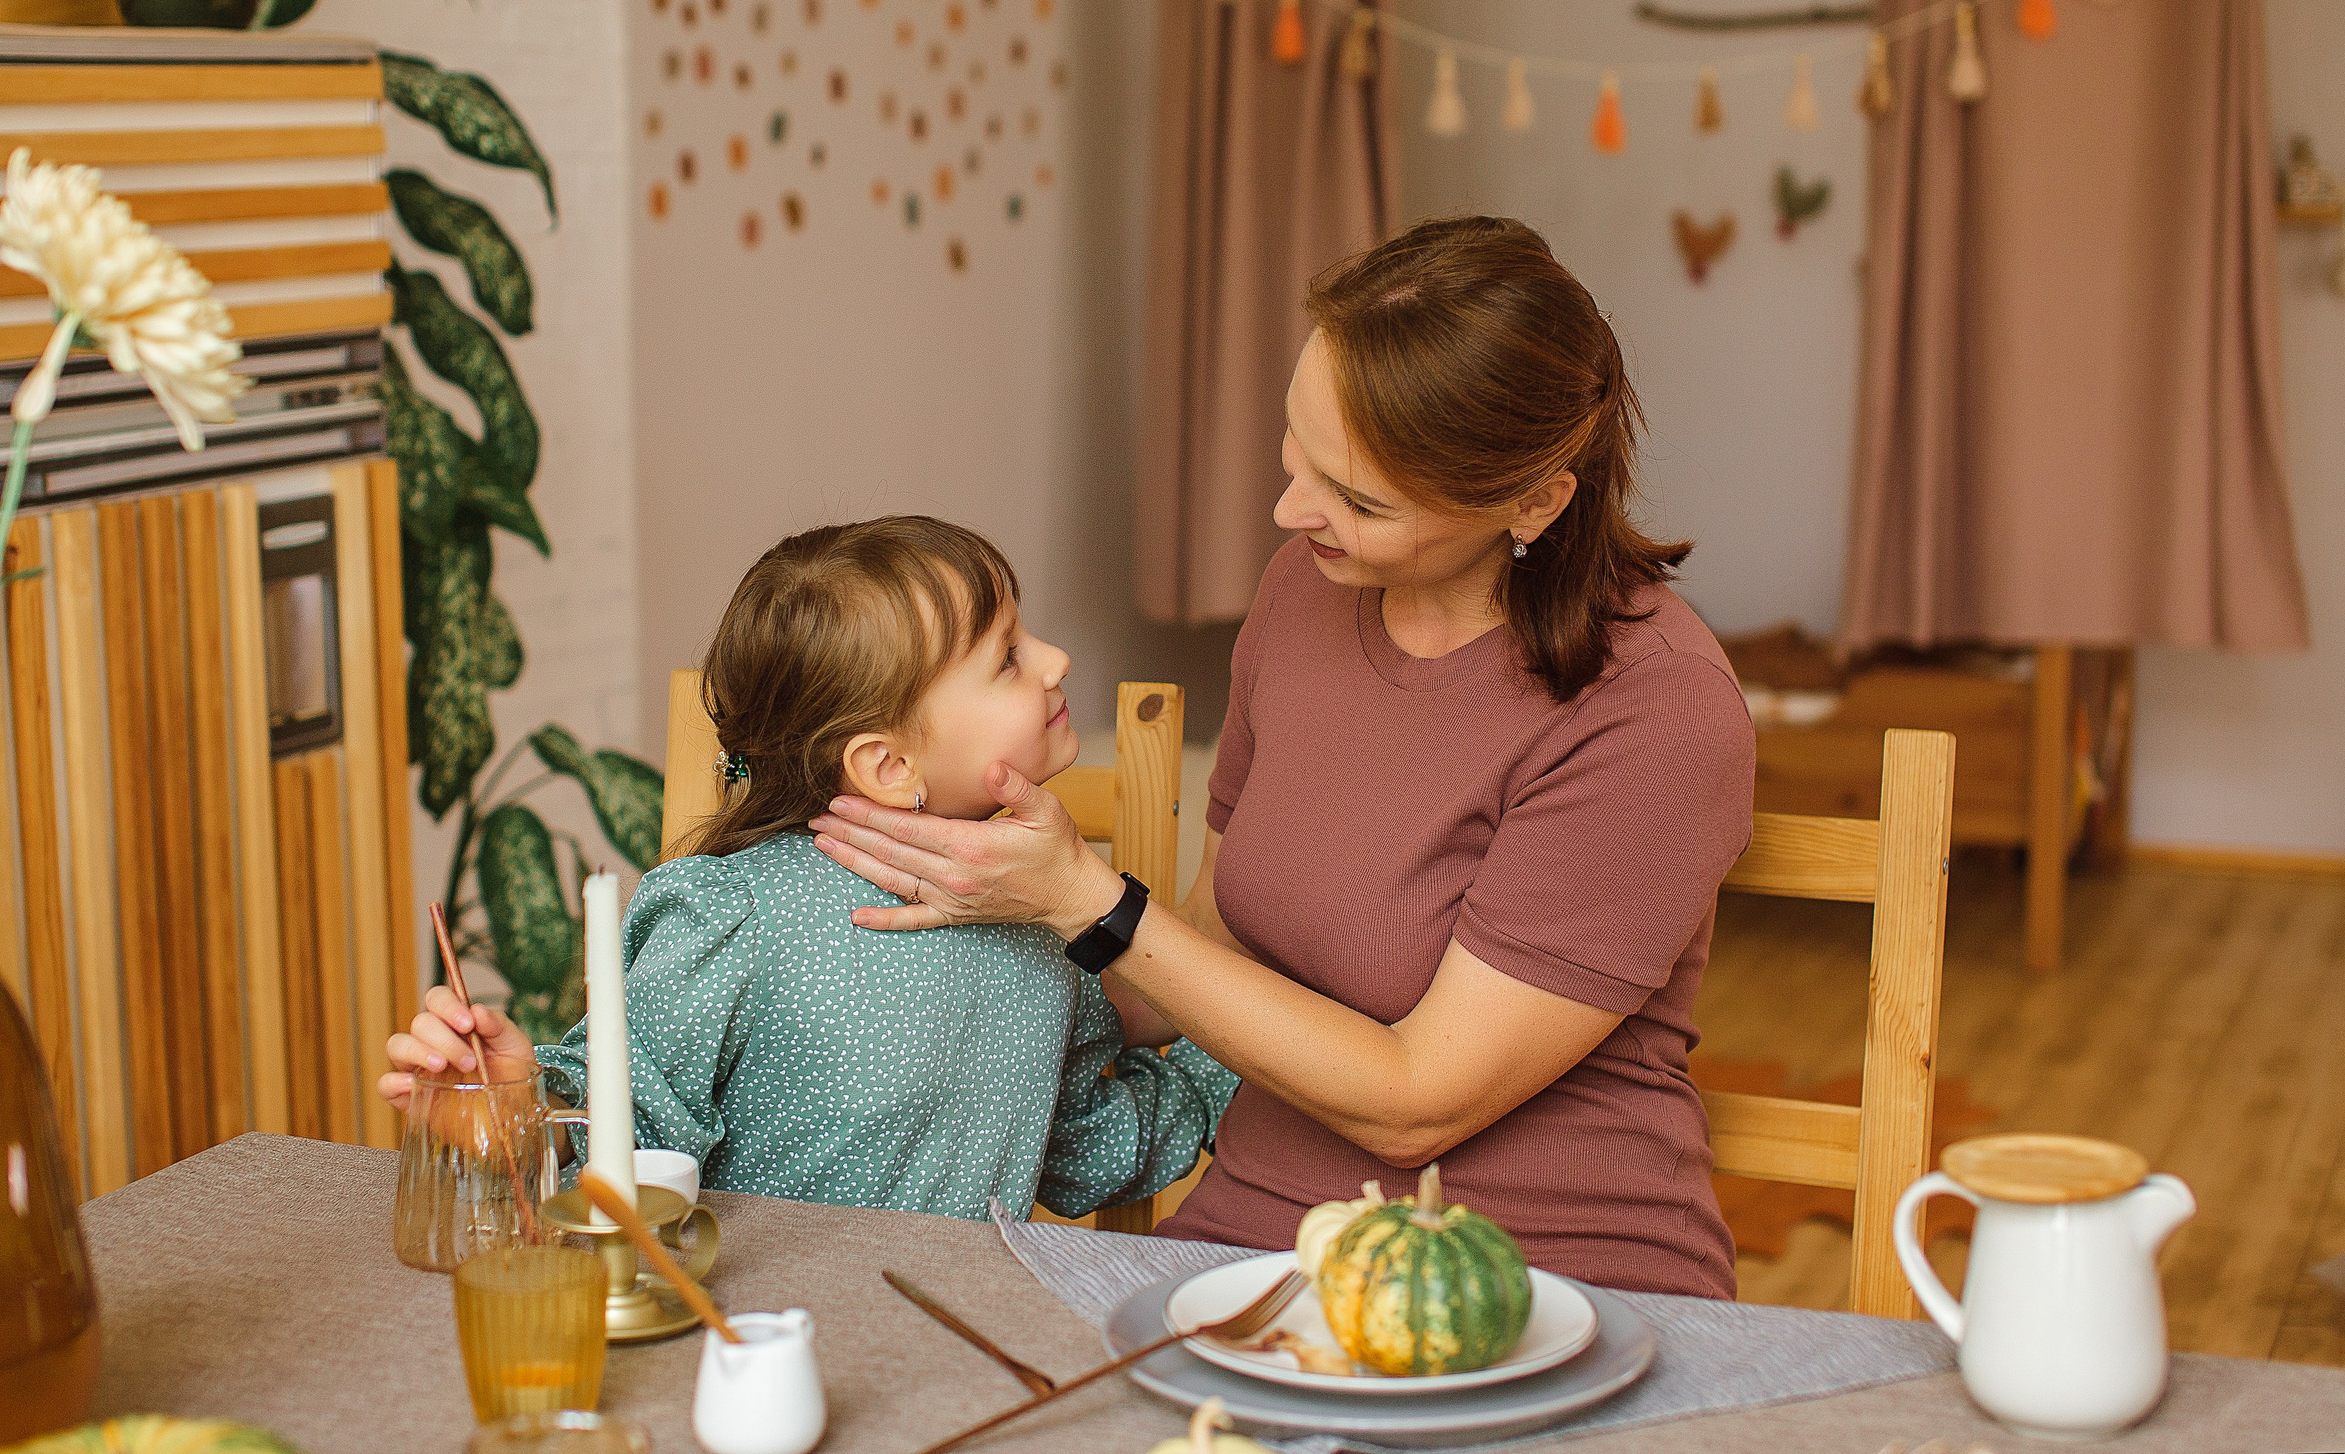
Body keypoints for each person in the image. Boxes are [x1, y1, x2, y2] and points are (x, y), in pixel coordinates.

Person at [814, 217, 1756, 1296]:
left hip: (1533, 1265)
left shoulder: (1650, 709)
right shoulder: (1308, 588)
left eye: (1360, 499)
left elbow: (1418, 1102)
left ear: (1532, 502)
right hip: (1256, 1233)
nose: (1289, 508)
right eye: (1296, 443)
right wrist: (890, 965)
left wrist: (1086, 900)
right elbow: (1218, 943)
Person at [381, 516, 1235, 1223]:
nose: (1056, 660)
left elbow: (1081, 1150)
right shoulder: (734, 918)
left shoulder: (1047, 921)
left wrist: (1243, 1061)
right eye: (1007, 655)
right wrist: (521, 1107)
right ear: (889, 766)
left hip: (957, 1358)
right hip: (750, 1347)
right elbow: (622, 1131)